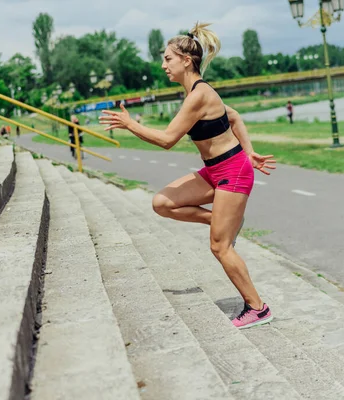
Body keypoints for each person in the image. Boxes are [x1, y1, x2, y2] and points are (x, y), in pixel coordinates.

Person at [100, 22, 277, 330]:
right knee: (162, 203)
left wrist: (130, 125)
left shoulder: (199, 94)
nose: (163, 64)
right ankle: (219, 220)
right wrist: (249, 150)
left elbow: (168, 139)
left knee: (220, 247)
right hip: (215, 171)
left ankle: (258, 308)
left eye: (167, 58)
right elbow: (233, 116)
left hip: (233, 172)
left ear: (185, 60)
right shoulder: (196, 94)